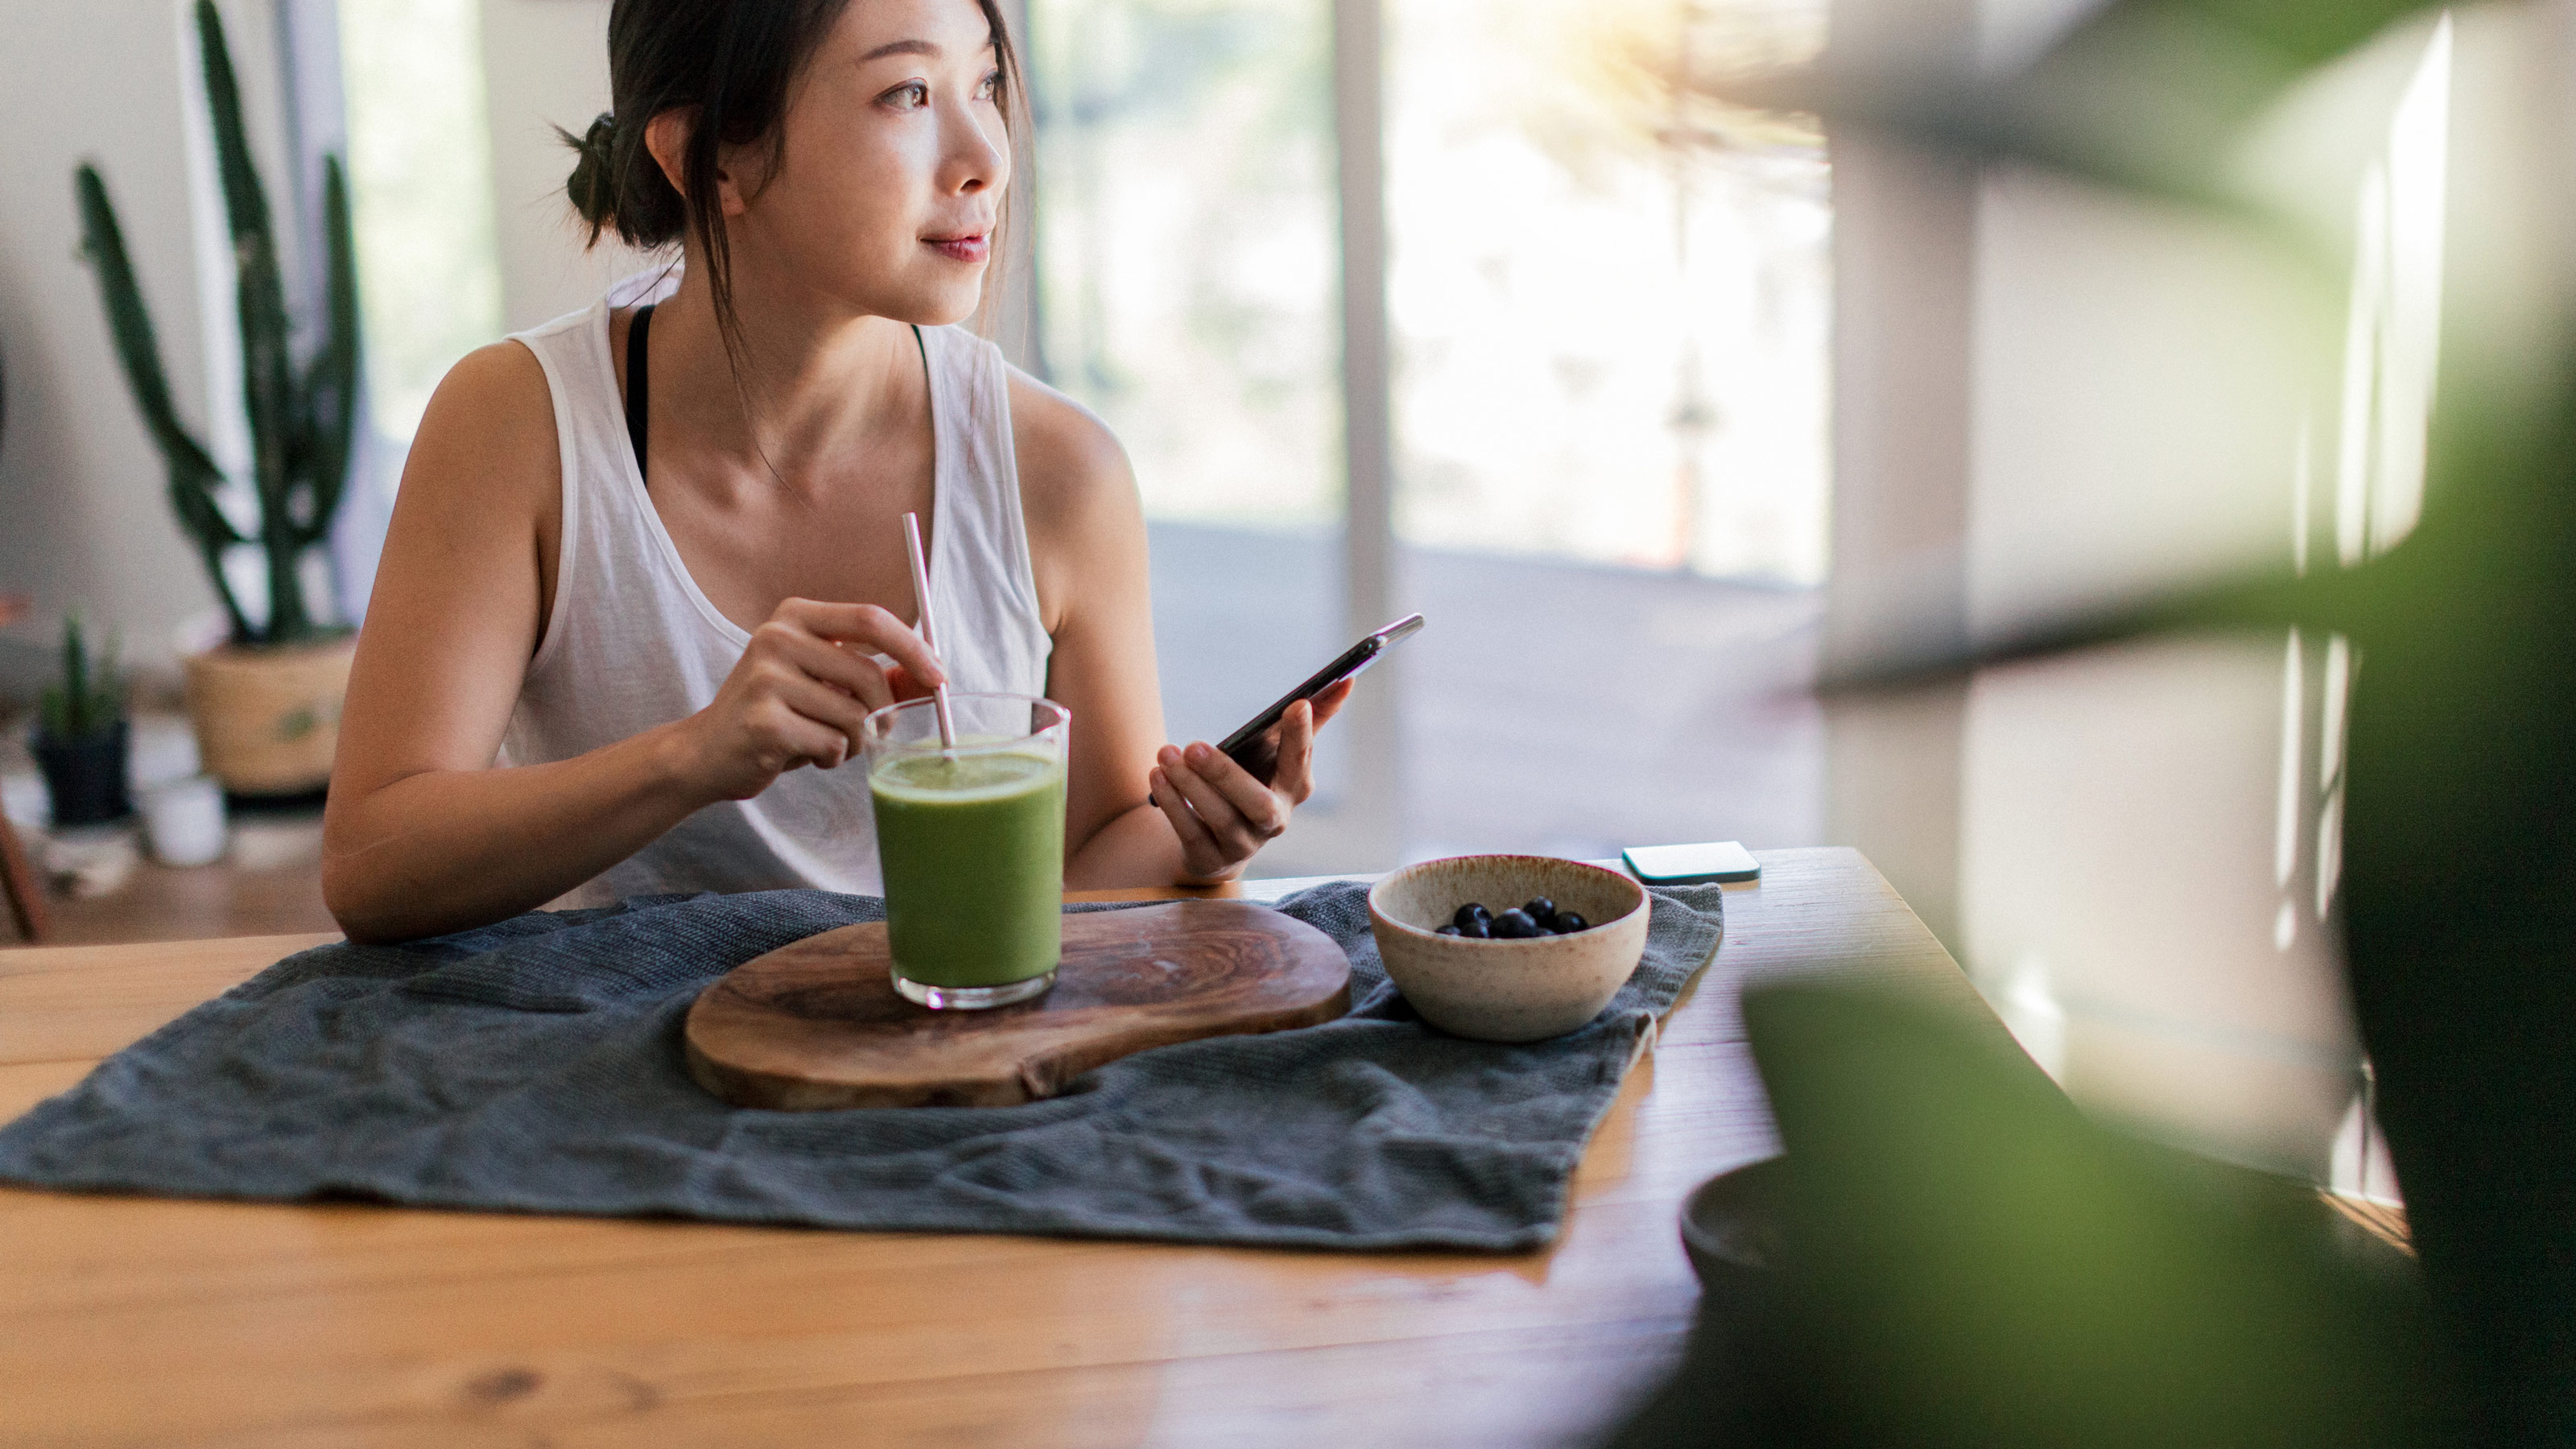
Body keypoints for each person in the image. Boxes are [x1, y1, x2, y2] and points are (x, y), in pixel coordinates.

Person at [320, 0, 1345, 943]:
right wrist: (692, 756)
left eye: (984, 83)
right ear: (711, 159)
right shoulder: (520, 425)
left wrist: (1197, 844)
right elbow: (371, 865)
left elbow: (1078, 877)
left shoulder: (1061, 472)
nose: (984, 153)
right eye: (906, 93)